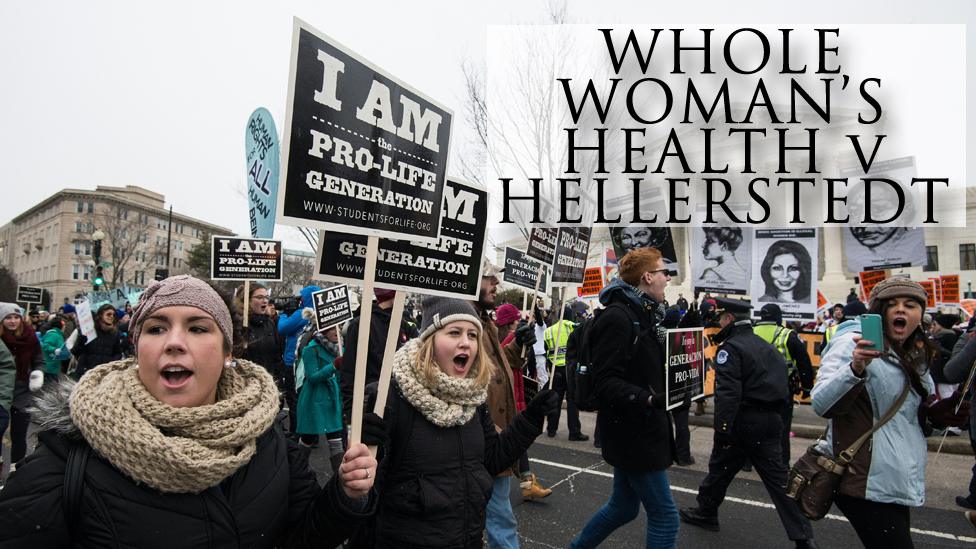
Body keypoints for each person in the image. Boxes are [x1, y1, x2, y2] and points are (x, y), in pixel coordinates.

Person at [0, 274, 381, 547]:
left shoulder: (269, 443)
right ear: (136, 348)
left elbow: (304, 536)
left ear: (228, 351)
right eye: (155, 329)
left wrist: (344, 496)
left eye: (198, 328)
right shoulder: (67, 459)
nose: (175, 342)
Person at [369, 296, 557, 549]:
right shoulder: (388, 398)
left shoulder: (473, 397)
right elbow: (365, 497)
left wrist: (531, 419)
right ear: (429, 341)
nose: (466, 343)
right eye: (454, 332)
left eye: (472, 335)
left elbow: (492, 459)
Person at [812, 278, 967, 547]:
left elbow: (907, 418)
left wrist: (935, 416)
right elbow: (821, 405)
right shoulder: (852, 342)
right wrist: (855, 367)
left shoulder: (916, 352)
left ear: (920, 315)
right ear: (878, 312)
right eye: (892, 304)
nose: (901, 310)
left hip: (897, 476)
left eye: (910, 305)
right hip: (862, 477)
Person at [680, 297, 817, 548]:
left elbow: (728, 394)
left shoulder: (731, 349)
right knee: (776, 480)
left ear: (729, 319)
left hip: (743, 421)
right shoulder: (767, 346)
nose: (719, 323)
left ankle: (707, 512)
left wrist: (722, 429)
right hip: (771, 420)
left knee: (720, 468)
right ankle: (803, 536)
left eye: (721, 318)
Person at [569, 247, 678, 548]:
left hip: (638, 428)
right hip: (634, 432)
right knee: (666, 517)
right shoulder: (619, 317)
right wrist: (647, 399)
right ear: (647, 277)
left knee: (624, 507)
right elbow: (605, 383)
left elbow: (638, 369)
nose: (667, 279)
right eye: (663, 272)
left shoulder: (644, 315)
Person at [471, 259, 540, 548]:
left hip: (495, 432)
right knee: (499, 517)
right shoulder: (464, 321)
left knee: (492, 514)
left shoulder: (485, 320)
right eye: (489, 278)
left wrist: (516, 345)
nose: (496, 284)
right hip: (482, 436)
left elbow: (495, 366)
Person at [496, 303, 552, 501]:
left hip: (514, 393)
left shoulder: (500, 336)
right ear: (511, 322)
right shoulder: (511, 338)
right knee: (512, 442)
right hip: (509, 395)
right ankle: (527, 483)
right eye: (515, 319)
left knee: (515, 442)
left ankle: (528, 482)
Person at [341, 288, 418, 421]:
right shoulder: (360, 324)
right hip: (371, 402)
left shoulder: (403, 325)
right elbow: (349, 370)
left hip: (403, 403)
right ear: (394, 297)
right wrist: (351, 411)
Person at [753, 303, 815, 466]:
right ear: (778, 317)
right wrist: (807, 387)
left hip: (754, 389)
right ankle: (782, 463)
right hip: (781, 390)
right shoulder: (787, 335)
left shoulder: (750, 332)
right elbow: (804, 363)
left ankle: (749, 462)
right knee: (781, 428)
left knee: (754, 424)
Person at [296, 325, 345, 473]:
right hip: (314, 400)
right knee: (307, 439)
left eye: (339, 327)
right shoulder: (311, 349)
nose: (337, 331)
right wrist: (334, 365)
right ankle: (296, 471)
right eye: (332, 329)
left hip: (332, 399)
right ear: (324, 330)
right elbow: (313, 378)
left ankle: (340, 481)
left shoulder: (341, 347)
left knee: (336, 440)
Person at [0, 302, 44, 469]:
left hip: (22, 390)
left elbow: (39, 360)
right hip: (2, 389)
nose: (13, 321)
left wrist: (38, 373)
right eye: (8, 318)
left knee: (19, 434)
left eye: (16, 317)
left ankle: (15, 469)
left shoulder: (30, 337)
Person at [544, 303, 588, 441]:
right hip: (570, 368)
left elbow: (546, 350)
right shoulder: (573, 327)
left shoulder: (549, 330)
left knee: (555, 400)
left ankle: (551, 429)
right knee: (572, 400)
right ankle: (574, 432)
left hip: (556, 369)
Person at [70, 303, 122, 379]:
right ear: (101, 315)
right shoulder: (89, 331)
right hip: (86, 373)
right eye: (108, 314)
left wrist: (110, 363)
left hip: (105, 374)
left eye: (113, 315)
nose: (111, 317)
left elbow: (118, 353)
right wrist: (81, 339)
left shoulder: (115, 333)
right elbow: (76, 352)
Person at [39, 315, 67, 386]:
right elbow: (45, 345)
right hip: (49, 367)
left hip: (54, 365)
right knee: (50, 386)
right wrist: (54, 350)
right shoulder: (53, 334)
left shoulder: (58, 334)